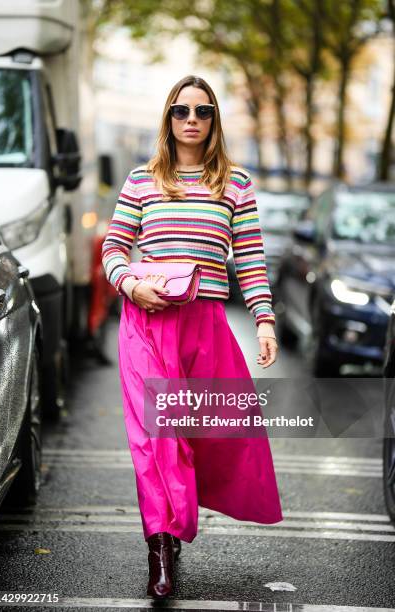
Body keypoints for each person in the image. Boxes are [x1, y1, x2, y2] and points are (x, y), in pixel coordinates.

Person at [101, 75, 283, 600]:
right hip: (147, 322)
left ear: (214, 120)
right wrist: (132, 282)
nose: (191, 121)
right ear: (168, 118)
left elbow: (248, 256)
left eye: (202, 112)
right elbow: (113, 249)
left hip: (204, 324)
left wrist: (265, 319)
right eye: (181, 111)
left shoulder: (236, 184)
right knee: (155, 438)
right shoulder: (141, 180)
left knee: (199, 436)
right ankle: (159, 546)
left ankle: (173, 523)